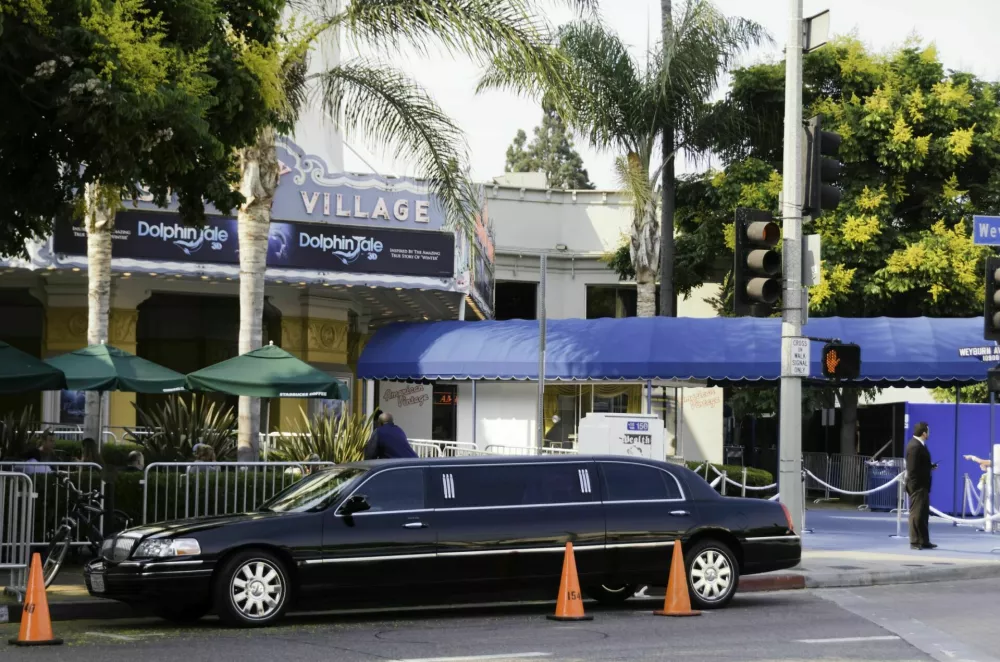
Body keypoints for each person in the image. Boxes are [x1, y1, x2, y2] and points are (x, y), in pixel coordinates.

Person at [905, 422, 938, 550]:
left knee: (923, 513)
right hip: (917, 486)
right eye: (928, 431)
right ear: (924, 433)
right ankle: (914, 542)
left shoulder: (919, 445)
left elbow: (920, 464)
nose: (929, 433)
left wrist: (930, 466)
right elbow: (912, 469)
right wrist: (915, 486)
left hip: (923, 485)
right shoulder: (914, 446)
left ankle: (924, 540)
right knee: (916, 514)